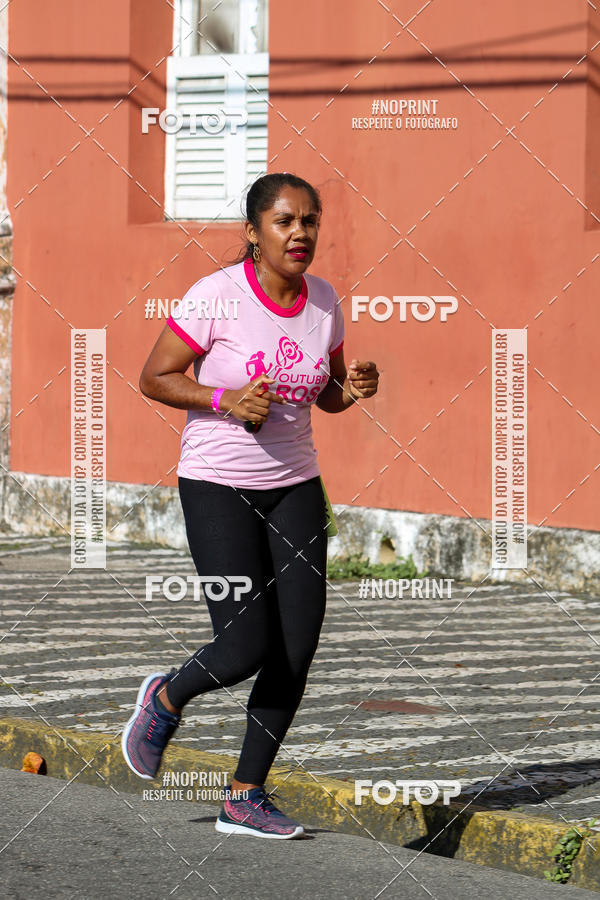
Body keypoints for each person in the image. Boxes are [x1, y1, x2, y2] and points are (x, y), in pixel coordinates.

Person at [121, 172, 380, 839]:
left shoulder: (324, 302)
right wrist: (222, 399)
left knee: (295, 648)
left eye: (310, 222)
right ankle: (166, 696)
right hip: (217, 485)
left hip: (296, 485)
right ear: (253, 232)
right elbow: (154, 376)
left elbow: (322, 394)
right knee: (243, 644)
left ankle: (245, 795)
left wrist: (352, 388)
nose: (300, 234)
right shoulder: (218, 296)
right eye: (285, 221)